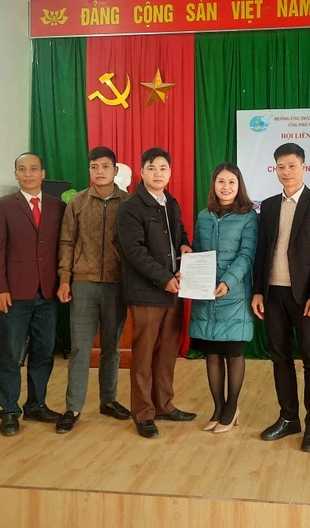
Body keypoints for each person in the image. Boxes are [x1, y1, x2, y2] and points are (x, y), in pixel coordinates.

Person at [252, 143, 310, 452]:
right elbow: (262, 251)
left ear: (303, 167)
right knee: (280, 357)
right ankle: (289, 417)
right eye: (281, 167)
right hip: (273, 293)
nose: (286, 172)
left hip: (305, 297)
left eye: (292, 166)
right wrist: (258, 290)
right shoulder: (269, 206)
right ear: (275, 169)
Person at [116, 147, 195, 438]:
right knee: (144, 354)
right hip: (147, 291)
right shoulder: (130, 207)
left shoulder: (170, 202)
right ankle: (143, 413)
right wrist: (164, 278)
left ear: (170, 173)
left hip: (174, 289)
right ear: (142, 172)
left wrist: (185, 244)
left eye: (163, 168)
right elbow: (133, 251)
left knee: (167, 352)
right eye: (151, 168)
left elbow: (179, 233)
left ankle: (164, 405)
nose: (157, 173)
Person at [55, 147, 131, 434]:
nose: (99, 171)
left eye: (105, 166)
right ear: (89, 170)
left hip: (116, 284)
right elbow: (67, 242)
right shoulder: (77, 202)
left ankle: (108, 400)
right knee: (80, 348)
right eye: (94, 166)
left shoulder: (128, 203)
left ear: (115, 170)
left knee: (111, 347)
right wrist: (65, 278)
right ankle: (73, 407)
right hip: (83, 283)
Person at [0, 152, 66, 436]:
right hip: (14, 294)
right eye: (22, 169)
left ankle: (36, 405)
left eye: (34, 169)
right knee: (10, 355)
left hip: (48, 293)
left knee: (44, 352)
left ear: (43, 173)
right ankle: (9, 411)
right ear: (16, 174)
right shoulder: (2, 206)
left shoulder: (58, 207)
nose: (28, 174)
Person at [188, 163, 258, 433]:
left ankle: (232, 407)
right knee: (212, 352)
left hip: (234, 295)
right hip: (205, 294)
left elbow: (247, 255)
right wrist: (190, 268)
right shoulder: (203, 215)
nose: (226, 187)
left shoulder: (249, 216)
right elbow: (197, 251)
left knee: (233, 352)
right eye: (221, 181)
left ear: (239, 186)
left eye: (231, 182)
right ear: (214, 185)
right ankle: (218, 407)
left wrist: (227, 281)